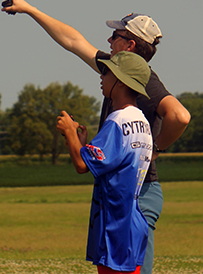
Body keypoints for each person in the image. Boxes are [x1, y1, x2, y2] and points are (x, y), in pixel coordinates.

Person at [0, 0, 191, 274]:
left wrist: (156, 151)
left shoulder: (145, 82)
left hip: (138, 194)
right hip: (126, 193)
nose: (109, 40)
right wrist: (31, 10)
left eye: (115, 36)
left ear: (129, 45)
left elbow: (180, 115)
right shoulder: (120, 72)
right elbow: (73, 41)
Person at [57, 51, 153, 274]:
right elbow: (107, 161)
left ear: (120, 81)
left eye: (107, 71)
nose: (102, 76)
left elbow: (82, 166)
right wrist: (81, 144)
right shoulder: (142, 121)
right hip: (134, 223)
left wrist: (70, 132)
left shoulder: (117, 120)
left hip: (116, 227)